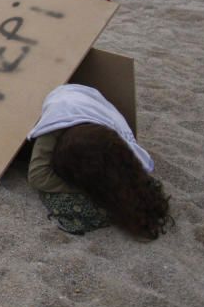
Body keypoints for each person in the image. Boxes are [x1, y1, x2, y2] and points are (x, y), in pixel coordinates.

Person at [28, 84, 172, 240]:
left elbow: (129, 174)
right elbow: (38, 176)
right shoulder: (54, 126)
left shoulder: (116, 141)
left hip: (92, 106)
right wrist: (90, 190)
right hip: (62, 98)